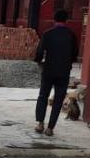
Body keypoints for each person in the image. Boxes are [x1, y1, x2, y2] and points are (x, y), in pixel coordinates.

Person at [33, 8, 79, 136]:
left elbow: (39, 53)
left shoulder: (48, 34)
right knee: (58, 100)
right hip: (63, 72)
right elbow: (75, 55)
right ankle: (50, 128)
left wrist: (39, 62)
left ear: (54, 19)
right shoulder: (71, 35)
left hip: (48, 70)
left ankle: (40, 124)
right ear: (66, 20)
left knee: (43, 96)